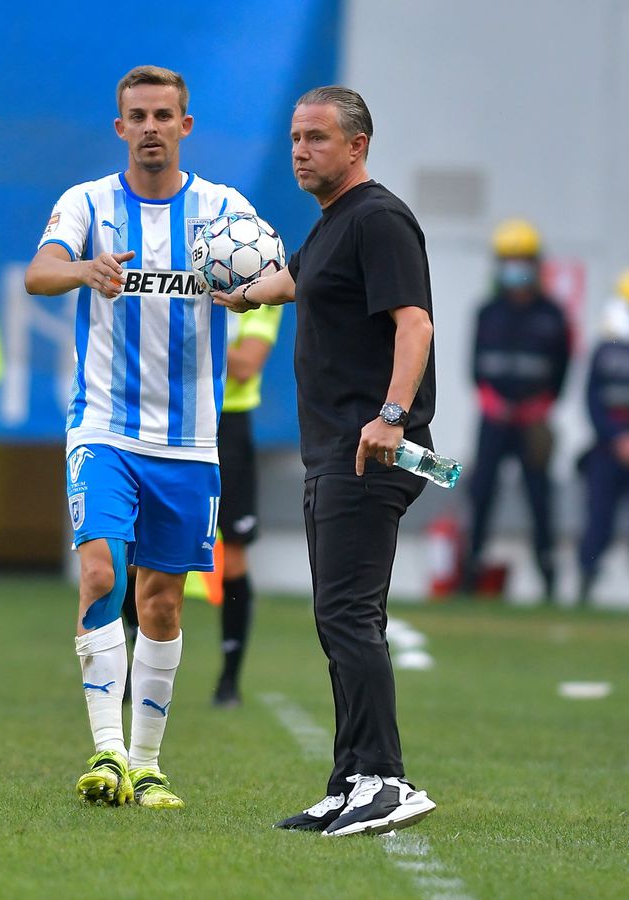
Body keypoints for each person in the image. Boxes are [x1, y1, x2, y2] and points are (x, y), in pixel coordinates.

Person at [24, 65, 259, 811]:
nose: (151, 127)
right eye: (138, 115)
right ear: (120, 126)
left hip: (189, 442)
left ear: (185, 126)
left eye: (164, 114)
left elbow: (286, 276)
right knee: (100, 574)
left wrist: (249, 288)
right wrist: (82, 270)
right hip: (103, 427)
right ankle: (107, 753)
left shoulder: (222, 211)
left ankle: (149, 765)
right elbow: (38, 273)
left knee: (161, 604)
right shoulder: (87, 203)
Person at [214, 85, 437, 837]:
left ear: (357, 145)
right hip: (336, 452)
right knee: (339, 617)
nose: (301, 150)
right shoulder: (334, 225)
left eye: (316, 137)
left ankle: (386, 780)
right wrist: (241, 295)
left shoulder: (378, 218)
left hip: (371, 448)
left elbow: (416, 325)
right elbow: (294, 279)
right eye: (295, 138)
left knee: (348, 615)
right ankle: (350, 781)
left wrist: (392, 415)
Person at [462, 220, 571, 601]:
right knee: (481, 494)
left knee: (540, 500)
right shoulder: (487, 312)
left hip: (533, 423)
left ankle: (549, 579)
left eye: (521, 260)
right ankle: (469, 576)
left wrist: (537, 407)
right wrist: (496, 404)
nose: (515, 268)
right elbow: (474, 369)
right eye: (508, 260)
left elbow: (562, 372)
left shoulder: (553, 315)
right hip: (493, 421)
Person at [575, 267, 629, 609]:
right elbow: (592, 400)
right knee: (598, 517)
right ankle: (586, 578)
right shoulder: (604, 350)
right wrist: (616, 438)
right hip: (608, 449)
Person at [211, 303, 284, 707]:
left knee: (234, 553)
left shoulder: (263, 289)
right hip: (174, 416)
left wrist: (184, 331)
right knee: (140, 549)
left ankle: (229, 679)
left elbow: (244, 365)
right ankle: (131, 671)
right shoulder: (183, 267)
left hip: (230, 423)